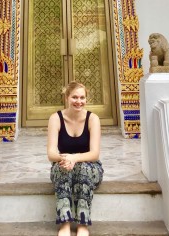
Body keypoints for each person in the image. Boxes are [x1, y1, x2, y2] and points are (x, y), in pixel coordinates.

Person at [47, 81, 103, 236]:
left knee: (83, 168)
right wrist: (65, 159)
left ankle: (82, 224)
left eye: (82, 97)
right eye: (75, 97)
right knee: (60, 168)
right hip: (65, 165)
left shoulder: (93, 119)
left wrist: (75, 158)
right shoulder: (56, 118)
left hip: (90, 167)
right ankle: (64, 223)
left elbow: (94, 154)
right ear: (67, 97)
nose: (79, 101)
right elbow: (51, 153)